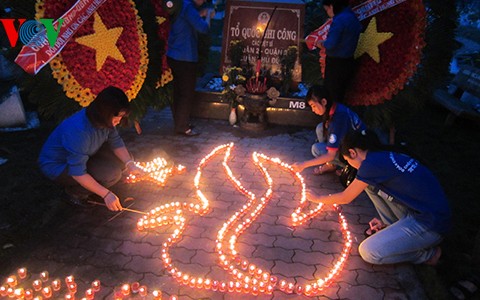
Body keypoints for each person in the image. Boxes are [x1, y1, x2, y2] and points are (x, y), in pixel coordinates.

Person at [306, 129, 451, 265]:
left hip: (430, 223)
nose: (352, 166)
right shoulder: (382, 155)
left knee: (368, 251)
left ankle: (428, 255)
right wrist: (384, 219)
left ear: (353, 152)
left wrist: (317, 198)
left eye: (348, 161)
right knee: (369, 185)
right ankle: (391, 226)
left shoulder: (370, 165)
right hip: (422, 210)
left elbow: (345, 197)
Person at [38, 86, 144, 211]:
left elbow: (116, 143)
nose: (119, 121)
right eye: (117, 117)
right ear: (105, 112)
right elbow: (78, 173)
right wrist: (106, 194)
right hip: (59, 166)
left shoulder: (104, 120)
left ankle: (95, 185)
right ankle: (74, 193)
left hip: (84, 156)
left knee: (124, 160)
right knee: (111, 174)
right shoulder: (79, 131)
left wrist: (130, 164)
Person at [292, 85, 365, 175]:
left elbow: (331, 155)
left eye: (313, 106)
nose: (313, 110)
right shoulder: (335, 107)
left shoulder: (338, 119)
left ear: (323, 101)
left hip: (356, 153)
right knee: (320, 128)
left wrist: (303, 165)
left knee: (316, 149)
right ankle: (331, 164)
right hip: (352, 140)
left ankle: (346, 165)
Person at [167, 0, 214, 136]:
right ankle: (182, 127)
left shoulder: (183, 5)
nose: (204, 0)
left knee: (178, 91)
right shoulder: (188, 7)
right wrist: (208, 16)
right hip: (185, 56)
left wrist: (200, 13)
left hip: (174, 54)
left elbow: (187, 19)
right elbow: (203, 28)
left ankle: (179, 123)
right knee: (186, 94)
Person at [317, 0, 362, 104]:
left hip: (336, 64)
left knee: (331, 97)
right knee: (341, 96)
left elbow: (331, 44)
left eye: (327, 9)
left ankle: (331, 119)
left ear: (332, 6)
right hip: (349, 62)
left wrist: (322, 44)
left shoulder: (339, 20)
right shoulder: (352, 17)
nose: (327, 12)